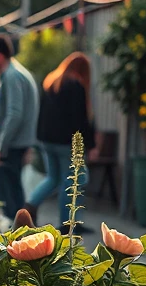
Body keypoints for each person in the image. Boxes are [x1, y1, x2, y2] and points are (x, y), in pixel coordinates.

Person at [25, 52, 97, 233]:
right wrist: (91, 145)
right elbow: (80, 120)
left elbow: (41, 113)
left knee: (53, 178)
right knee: (74, 180)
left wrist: (39, 137)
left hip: (47, 140)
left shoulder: (52, 82)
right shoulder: (76, 85)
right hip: (67, 143)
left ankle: (29, 206)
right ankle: (68, 224)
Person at [0, 34, 39, 220]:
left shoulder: (13, 76)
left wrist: (1, 146)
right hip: (13, 143)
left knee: (8, 192)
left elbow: (15, 114)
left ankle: (22, 235)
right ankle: (22, 234)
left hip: (12, 144)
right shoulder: (10, 74)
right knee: (10, 189)